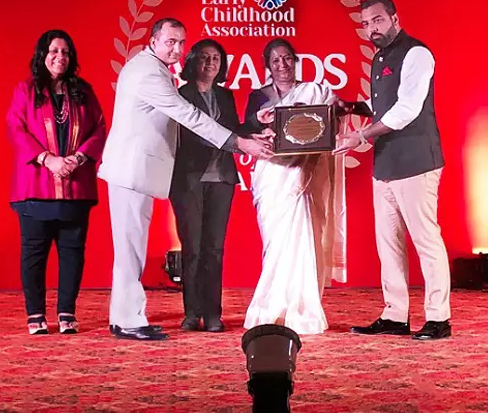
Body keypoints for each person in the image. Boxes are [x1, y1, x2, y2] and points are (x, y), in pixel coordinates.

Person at [97, 18, 274, 341]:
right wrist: (239, 143)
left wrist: (245, 132)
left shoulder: (154, 68)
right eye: (170, 42)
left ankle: (125, 317)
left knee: (131, 250)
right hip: (130, 170)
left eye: (181, 42)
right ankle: (127, 321)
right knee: (129, 251)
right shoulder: (148, 72)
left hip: (136, 171)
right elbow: (189, 116)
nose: (177, 49)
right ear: (153, 41)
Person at [334, 0, 451, 340]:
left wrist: (361, 135)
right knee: (389, 244)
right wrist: (352, 107)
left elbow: (407, 109)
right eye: (366, 24)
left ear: (394, 19)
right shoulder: (380, 58)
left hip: (416, 161)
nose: (371, 29)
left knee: (426, 241)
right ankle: (395, 315)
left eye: (377, 20)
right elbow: (383, 105)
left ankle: (439, 318)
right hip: (385, 163)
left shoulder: (417, 53)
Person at [243, 38, 347, 336]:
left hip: (306, 173)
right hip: (274, 175)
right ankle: (270, 305)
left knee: (306, 237)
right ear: (268, 66)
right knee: (277, 242)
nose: (283, 65)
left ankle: (301, 308)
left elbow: (330, 123)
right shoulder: (258, 96)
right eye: (276, 60)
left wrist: (337, 110)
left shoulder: (315, 92)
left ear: (296, 60)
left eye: (287, 58)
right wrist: (260, 123)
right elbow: (247, 129)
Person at [7, 29, 107, 335]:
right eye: (53, 51)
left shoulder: (84, 91)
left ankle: (66, 312)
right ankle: (35, 313)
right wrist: (48, 159)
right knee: (34, 254)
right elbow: (16, 128)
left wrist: (77, 158)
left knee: (72, 253)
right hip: (35, 186)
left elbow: (99, 128)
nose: (60, 57)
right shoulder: (26, 90)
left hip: (75, 187)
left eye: (65, 52)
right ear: (42, 55)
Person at [170, 38, 260, 333]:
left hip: (222, 178)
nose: (210, 63)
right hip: (189, 179)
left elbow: (234, 132)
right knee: (192, 248)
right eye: (204, 57)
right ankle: (191, 313)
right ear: (193, 61)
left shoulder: (225, 96)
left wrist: (256, 122)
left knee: (214, 249)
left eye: (216, 59)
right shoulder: (180, 94)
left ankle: (212, 314)